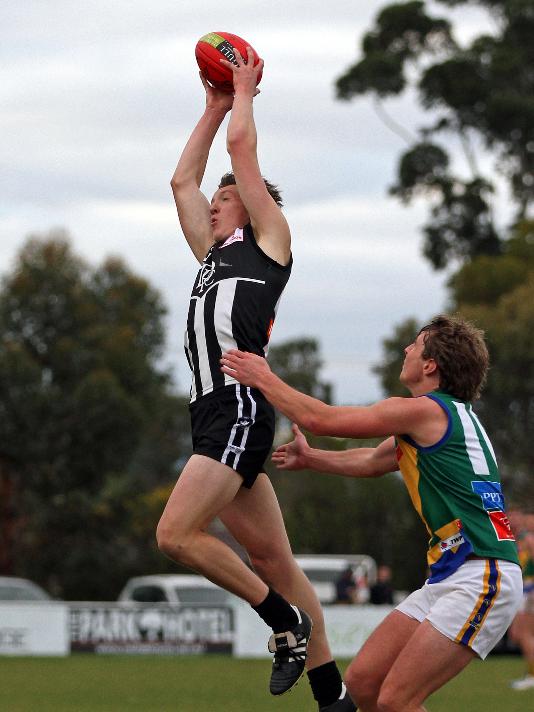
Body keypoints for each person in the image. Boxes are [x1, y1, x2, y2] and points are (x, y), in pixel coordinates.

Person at [157, 47, 355, 711]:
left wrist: (242, 91)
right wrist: (212, 107)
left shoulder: (269, 240)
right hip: (212, 415)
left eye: (224, 196)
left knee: (174, 535)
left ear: (250, 203)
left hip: (238, 410)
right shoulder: (213, 257)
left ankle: (282, 623)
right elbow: (182, 183)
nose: (211, 204)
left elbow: (244, 148)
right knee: (277, 562)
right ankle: (334, 698)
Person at [221, 314, 523, 711]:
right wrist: (313, 459)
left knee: (397, 701)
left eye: (415, 345)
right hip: (456, 574)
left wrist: (262, 377)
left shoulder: (425, 411)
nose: (407, 350)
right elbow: (372, 461)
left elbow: (320, 419)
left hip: (482, 574)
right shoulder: (448, 418)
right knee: (363, 684)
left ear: (431, 364)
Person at [508, 511, 534, 690]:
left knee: (524, 634)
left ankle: (532, 676)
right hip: (523, 592)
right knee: (517, 634)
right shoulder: (515, 541)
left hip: (530, 592)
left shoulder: (529, 539)